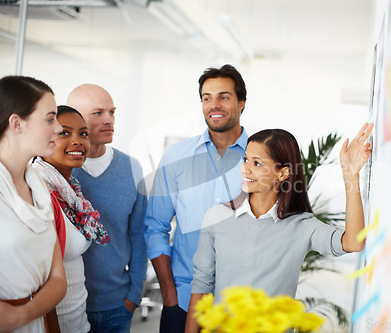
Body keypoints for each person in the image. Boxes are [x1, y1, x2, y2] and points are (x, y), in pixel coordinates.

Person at [185, 124, 374, 333]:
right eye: (246, 159)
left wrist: (351, 177)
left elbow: (353, 242)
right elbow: (201, 286)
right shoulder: (217, 217)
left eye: (257, 163)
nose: (245, 168)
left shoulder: (302, 226)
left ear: (283, 173)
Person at [144, 64, 248, 332]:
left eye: (224, 96)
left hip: (240, 305)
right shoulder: (177, 157)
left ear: (241, 103)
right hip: (182, 300)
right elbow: (155, 227)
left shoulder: (261, 159)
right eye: (206, 98)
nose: (214, 105)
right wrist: (169, 293)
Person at [67, 84, 148, 333]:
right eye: (98, 113)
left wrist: (134, 294)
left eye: (112, 112)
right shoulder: (60, 171)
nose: (108, 120)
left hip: (118, 305)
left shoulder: (132, 167)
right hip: (69, 303)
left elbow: (138, 235)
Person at [31, 105, 110, 333]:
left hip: (77, 321)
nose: (78, 141)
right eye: (64, 133)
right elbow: (36, 281)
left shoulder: (70, 191)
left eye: (83, 133)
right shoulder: (38, 191)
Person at [0, 75, 67, 332]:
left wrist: (22, 315)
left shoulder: (38, 188)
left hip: (33, 322)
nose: (59, 128)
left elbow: (58, 279)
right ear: (16, 123)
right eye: (50, 119)